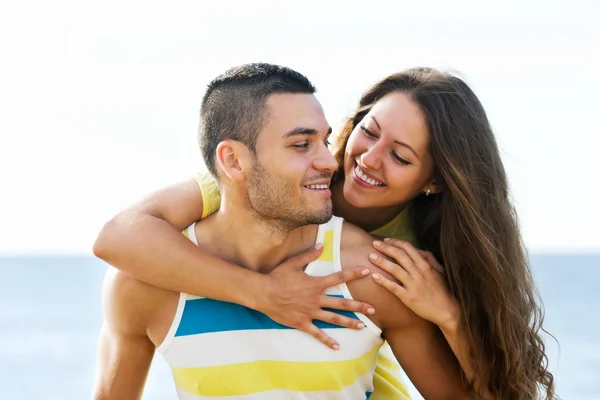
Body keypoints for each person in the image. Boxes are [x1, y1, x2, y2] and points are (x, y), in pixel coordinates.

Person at [94, 66, 556, 399]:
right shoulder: (234, 188)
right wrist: (263, 293)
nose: (360, 161)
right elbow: (118, 238)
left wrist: (450, 316)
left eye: (401, 157)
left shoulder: (391, 266)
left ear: (433, 182)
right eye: (368, 133)